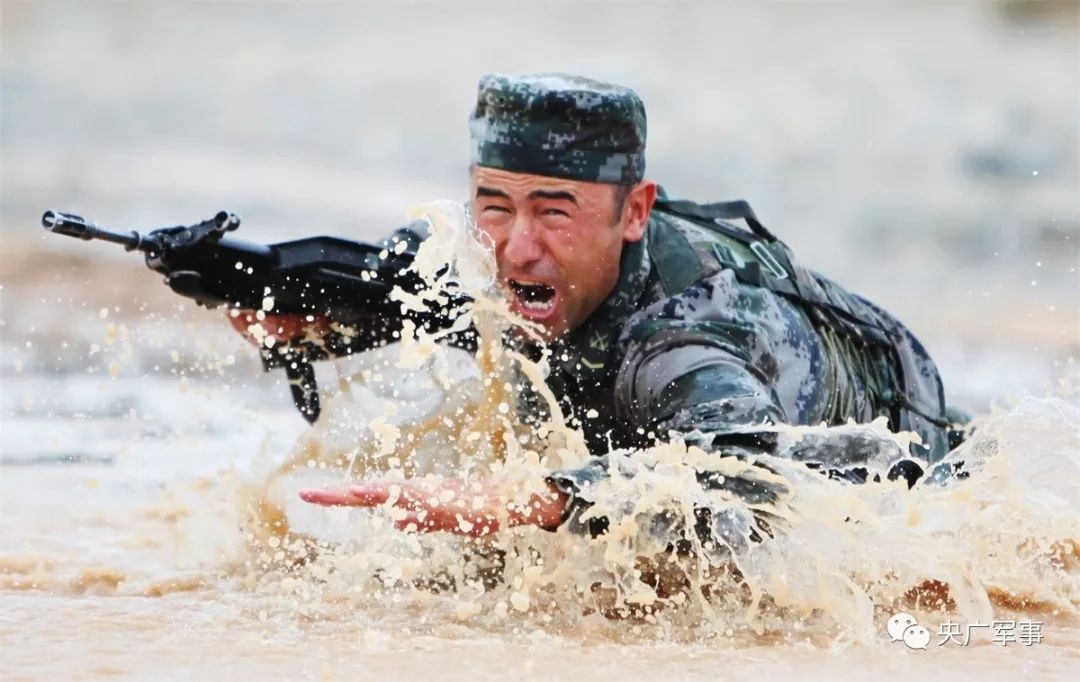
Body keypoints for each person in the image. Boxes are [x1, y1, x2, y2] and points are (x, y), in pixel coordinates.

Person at [231, 73, 957, 544]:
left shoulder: (689, 333)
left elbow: (745, 483)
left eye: (555, 212)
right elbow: (402, 290)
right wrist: (305, 324)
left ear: (634, 213)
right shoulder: (482, 252)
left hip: (905, 451)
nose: (517, 248)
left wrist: (528, 501)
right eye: (495, 204)